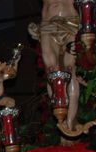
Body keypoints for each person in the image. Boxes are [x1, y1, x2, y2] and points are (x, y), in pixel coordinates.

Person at [28, 0, 80, 130]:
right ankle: (60, 115)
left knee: (70, 69)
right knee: (51, 70)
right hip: (48, 24)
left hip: (70, 21)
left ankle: (70, 121)